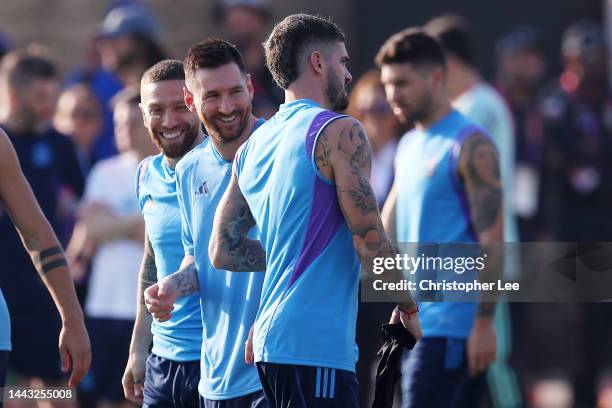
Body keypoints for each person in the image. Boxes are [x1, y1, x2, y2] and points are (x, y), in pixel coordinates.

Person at [207, 14, 421, 407]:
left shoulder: (254, 144)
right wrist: (408, 306)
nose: (349, 74)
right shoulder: (341, 132)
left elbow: (223, 249)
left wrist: (291, 260)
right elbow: (370, 240)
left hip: (269, 344)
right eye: (343, 61)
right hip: (314, 347)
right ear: (318, 63)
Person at [377, 28, 501, 407]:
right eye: (387, 84)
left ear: (435, 77)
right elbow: (384, 228)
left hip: (453, 331)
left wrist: (483, 325)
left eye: (402, 83)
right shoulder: (410, 144)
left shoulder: (470, 144)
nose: (392, 95)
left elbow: (494, 241)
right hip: (415, 324)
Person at [144, 39, 267, 407]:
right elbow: (197, 260)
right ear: (190, 100)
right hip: (214, 377)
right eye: (212, 95)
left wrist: (406, 300)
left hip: (272, 369)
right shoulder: (188, 170)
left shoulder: (279, 152)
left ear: (250, 85)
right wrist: (171, 287)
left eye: (234, 92)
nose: (227, 107)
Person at [0, 50, 86, 393]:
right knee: (16, 393)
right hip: (9, 279)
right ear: (14, 95)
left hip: (40, 289)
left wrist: (72, 314)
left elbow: (40, 231)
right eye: (41, 98)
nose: (49, 106)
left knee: (54, 391)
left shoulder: (52, 144)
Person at [66, 86, 157, 408]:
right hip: (103, 307)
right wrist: (137, 222)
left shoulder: (166, 171)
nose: (123, 130)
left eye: (132, 123)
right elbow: (88, 230)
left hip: (145, 313)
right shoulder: (104, 171)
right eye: (118, 123)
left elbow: (157, 238)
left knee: (139, 399)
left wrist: (112, 223)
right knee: (104, 399)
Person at [122, 60, 204, 408]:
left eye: (179, 107)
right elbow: (152, 260)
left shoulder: (225, 167)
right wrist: (139, 349)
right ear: (143, 114)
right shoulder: (146, 174)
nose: (169, 122)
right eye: (157, 110)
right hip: (162, 360)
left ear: (196, 104)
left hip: (215, 358)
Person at [494, 26, 547, 241]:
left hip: (528, 221)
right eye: (521, 58)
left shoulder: (536, 107)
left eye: (534, 58)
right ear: (504, 61)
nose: (529, 66)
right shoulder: (492, 105)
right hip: (496, 220)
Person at [54, 83, 104, 176]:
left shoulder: (102, 170)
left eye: (86, 116)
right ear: (56, 119)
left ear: (99, 124)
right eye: (72, 114)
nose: (78, 122)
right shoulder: (45, 166)